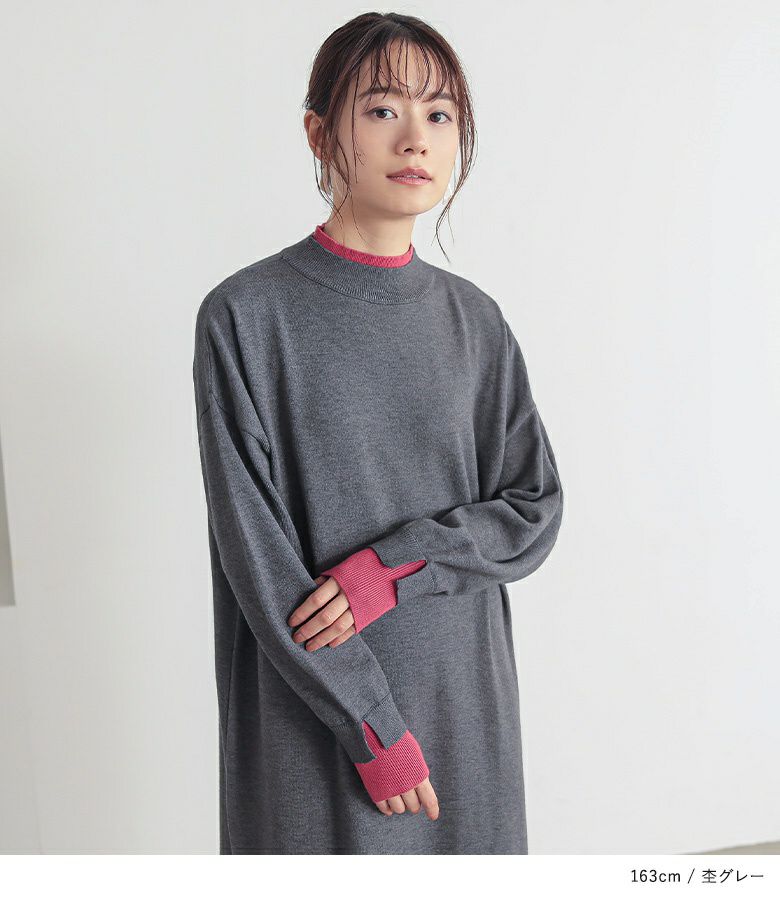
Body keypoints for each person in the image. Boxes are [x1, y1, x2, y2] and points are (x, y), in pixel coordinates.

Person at [192, 11, 564, 855]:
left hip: (465, 705)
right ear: (319, 132)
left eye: (440, 113)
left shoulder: (476, 322)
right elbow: (257, 557)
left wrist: (391, 571)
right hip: (318, 719)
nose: (415, 138)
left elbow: (533, 510)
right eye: (382, 109)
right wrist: (371, 725)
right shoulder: (247, 316)